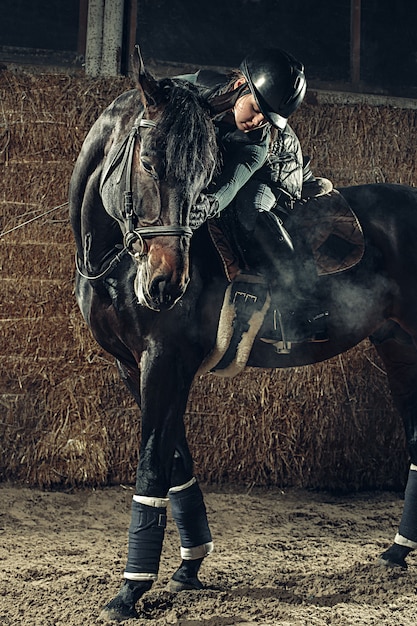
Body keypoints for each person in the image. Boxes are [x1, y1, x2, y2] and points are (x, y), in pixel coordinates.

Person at [178, 48, 331, 344]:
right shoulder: (197, 84)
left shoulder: (260, 140)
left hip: (273, 169)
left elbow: (232, 184)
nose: (258, 120)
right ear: (239, 86)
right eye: (257, 108)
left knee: (251, 206)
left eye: (267, 117)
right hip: (224, 158)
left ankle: (307, 307)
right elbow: (159, 93)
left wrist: (209, 204)